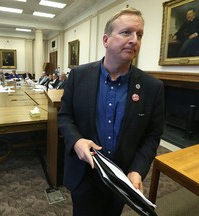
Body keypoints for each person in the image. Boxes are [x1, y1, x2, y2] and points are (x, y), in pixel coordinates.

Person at [58, 7, 164, 216]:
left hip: (122, 179)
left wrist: (137, 170)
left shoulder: (153, 87)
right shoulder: (79, 76)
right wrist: (77, 141)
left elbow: (152, 136)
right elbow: (65, 117)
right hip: (83, 174)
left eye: (139, 35)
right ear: (106, 40)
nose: (134, 40)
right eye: (126, 32)